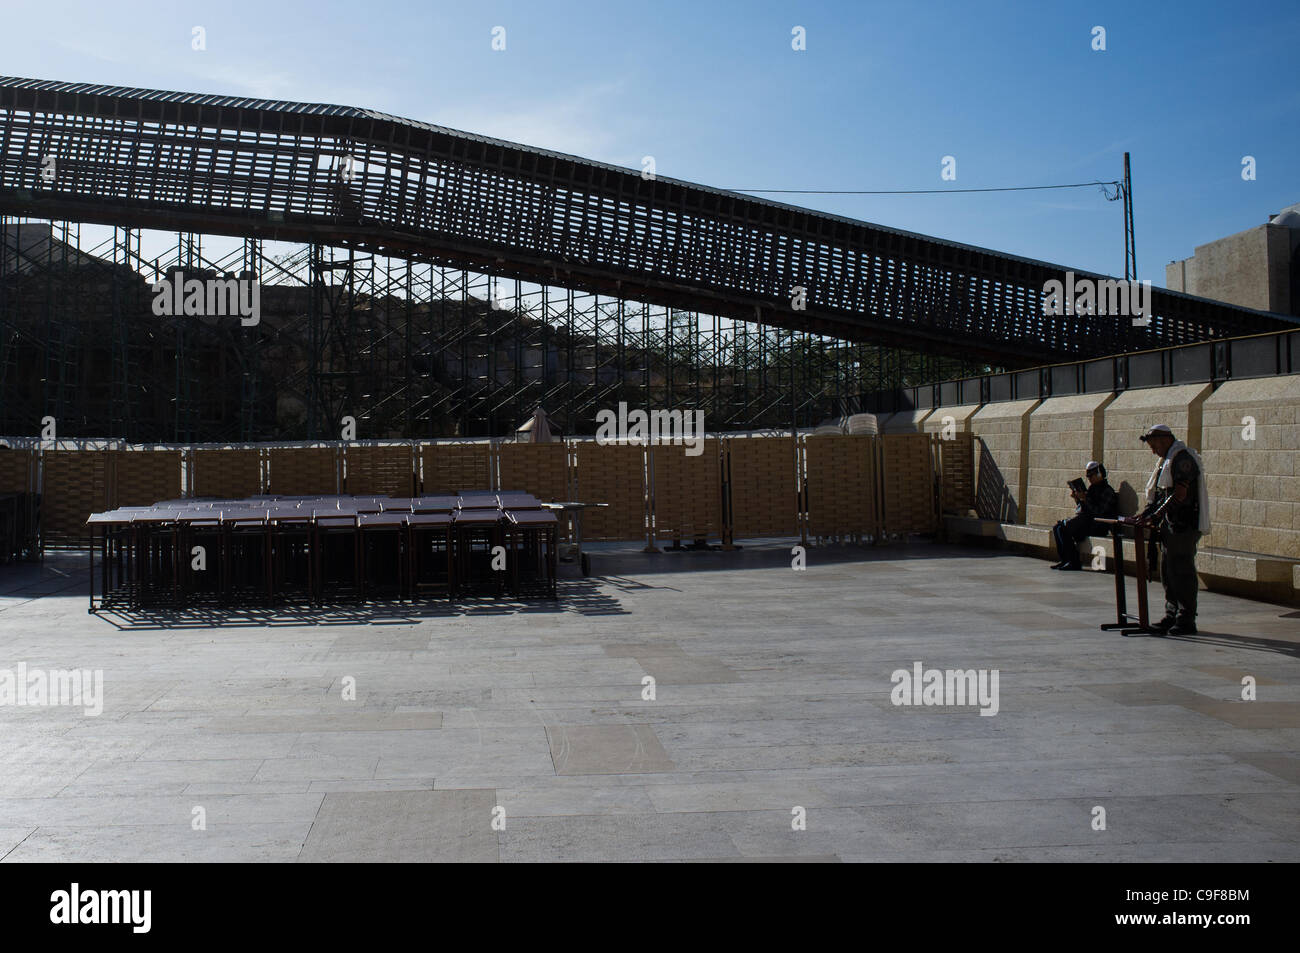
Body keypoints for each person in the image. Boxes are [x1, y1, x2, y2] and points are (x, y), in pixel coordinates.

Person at [1126, 424, 1211, 635]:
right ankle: (1171, 614)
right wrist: (1145, 515)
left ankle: (1186, 619)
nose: (1153, 450)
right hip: (1170, 526)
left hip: (1183, 526)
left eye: (1154, 445)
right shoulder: (1166, 461)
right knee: (1168, 571)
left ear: (1164, 440)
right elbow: (1159, 495)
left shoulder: (1182, 459)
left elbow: (1179, 494)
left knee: (1181, 571)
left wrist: (1156, 515)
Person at [1050, 461, 1119, 570]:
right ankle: (1065, 559)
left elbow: (1099, 512)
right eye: (1088, 476)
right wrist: (1078, 499)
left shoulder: (1107, 491)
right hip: (1088, 522)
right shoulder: (1092, 489)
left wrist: (1085, 499)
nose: (1089, 479)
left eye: (1091, 475)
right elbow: (1085, 509)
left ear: (1099, 474)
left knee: (1064, 528)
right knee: (1057, 528)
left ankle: (1074, 561)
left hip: (1099, 525)